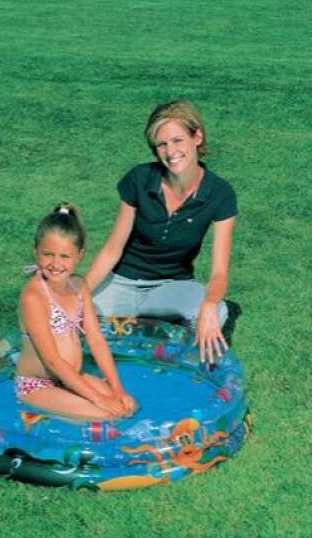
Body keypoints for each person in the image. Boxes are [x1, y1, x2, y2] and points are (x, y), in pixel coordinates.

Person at [86, 100, 237, 364]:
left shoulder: (220, 194)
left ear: (197, 137)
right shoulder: (139, 179)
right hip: (122, 282)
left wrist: (210, 304)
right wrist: (80, 295)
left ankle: (179, 360)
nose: (170, 152)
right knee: (71, 314)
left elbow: (219, 273)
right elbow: (112, 250)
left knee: (216, 311)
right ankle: (150, 329)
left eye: (178, 140)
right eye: (161, 144)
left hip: (170, 286)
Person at [16, 202, 139, 420]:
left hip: (70, 377)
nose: (56, 264)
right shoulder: (34, 297)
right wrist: (99, 398)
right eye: (48, 254)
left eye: (65, 256)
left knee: (127, 407)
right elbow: (52, 360)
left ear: (79, 255)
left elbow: (96, 340)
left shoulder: (80, 286)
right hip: (37, 384)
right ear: (36, 251)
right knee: (105, 415)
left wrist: (117, 389)